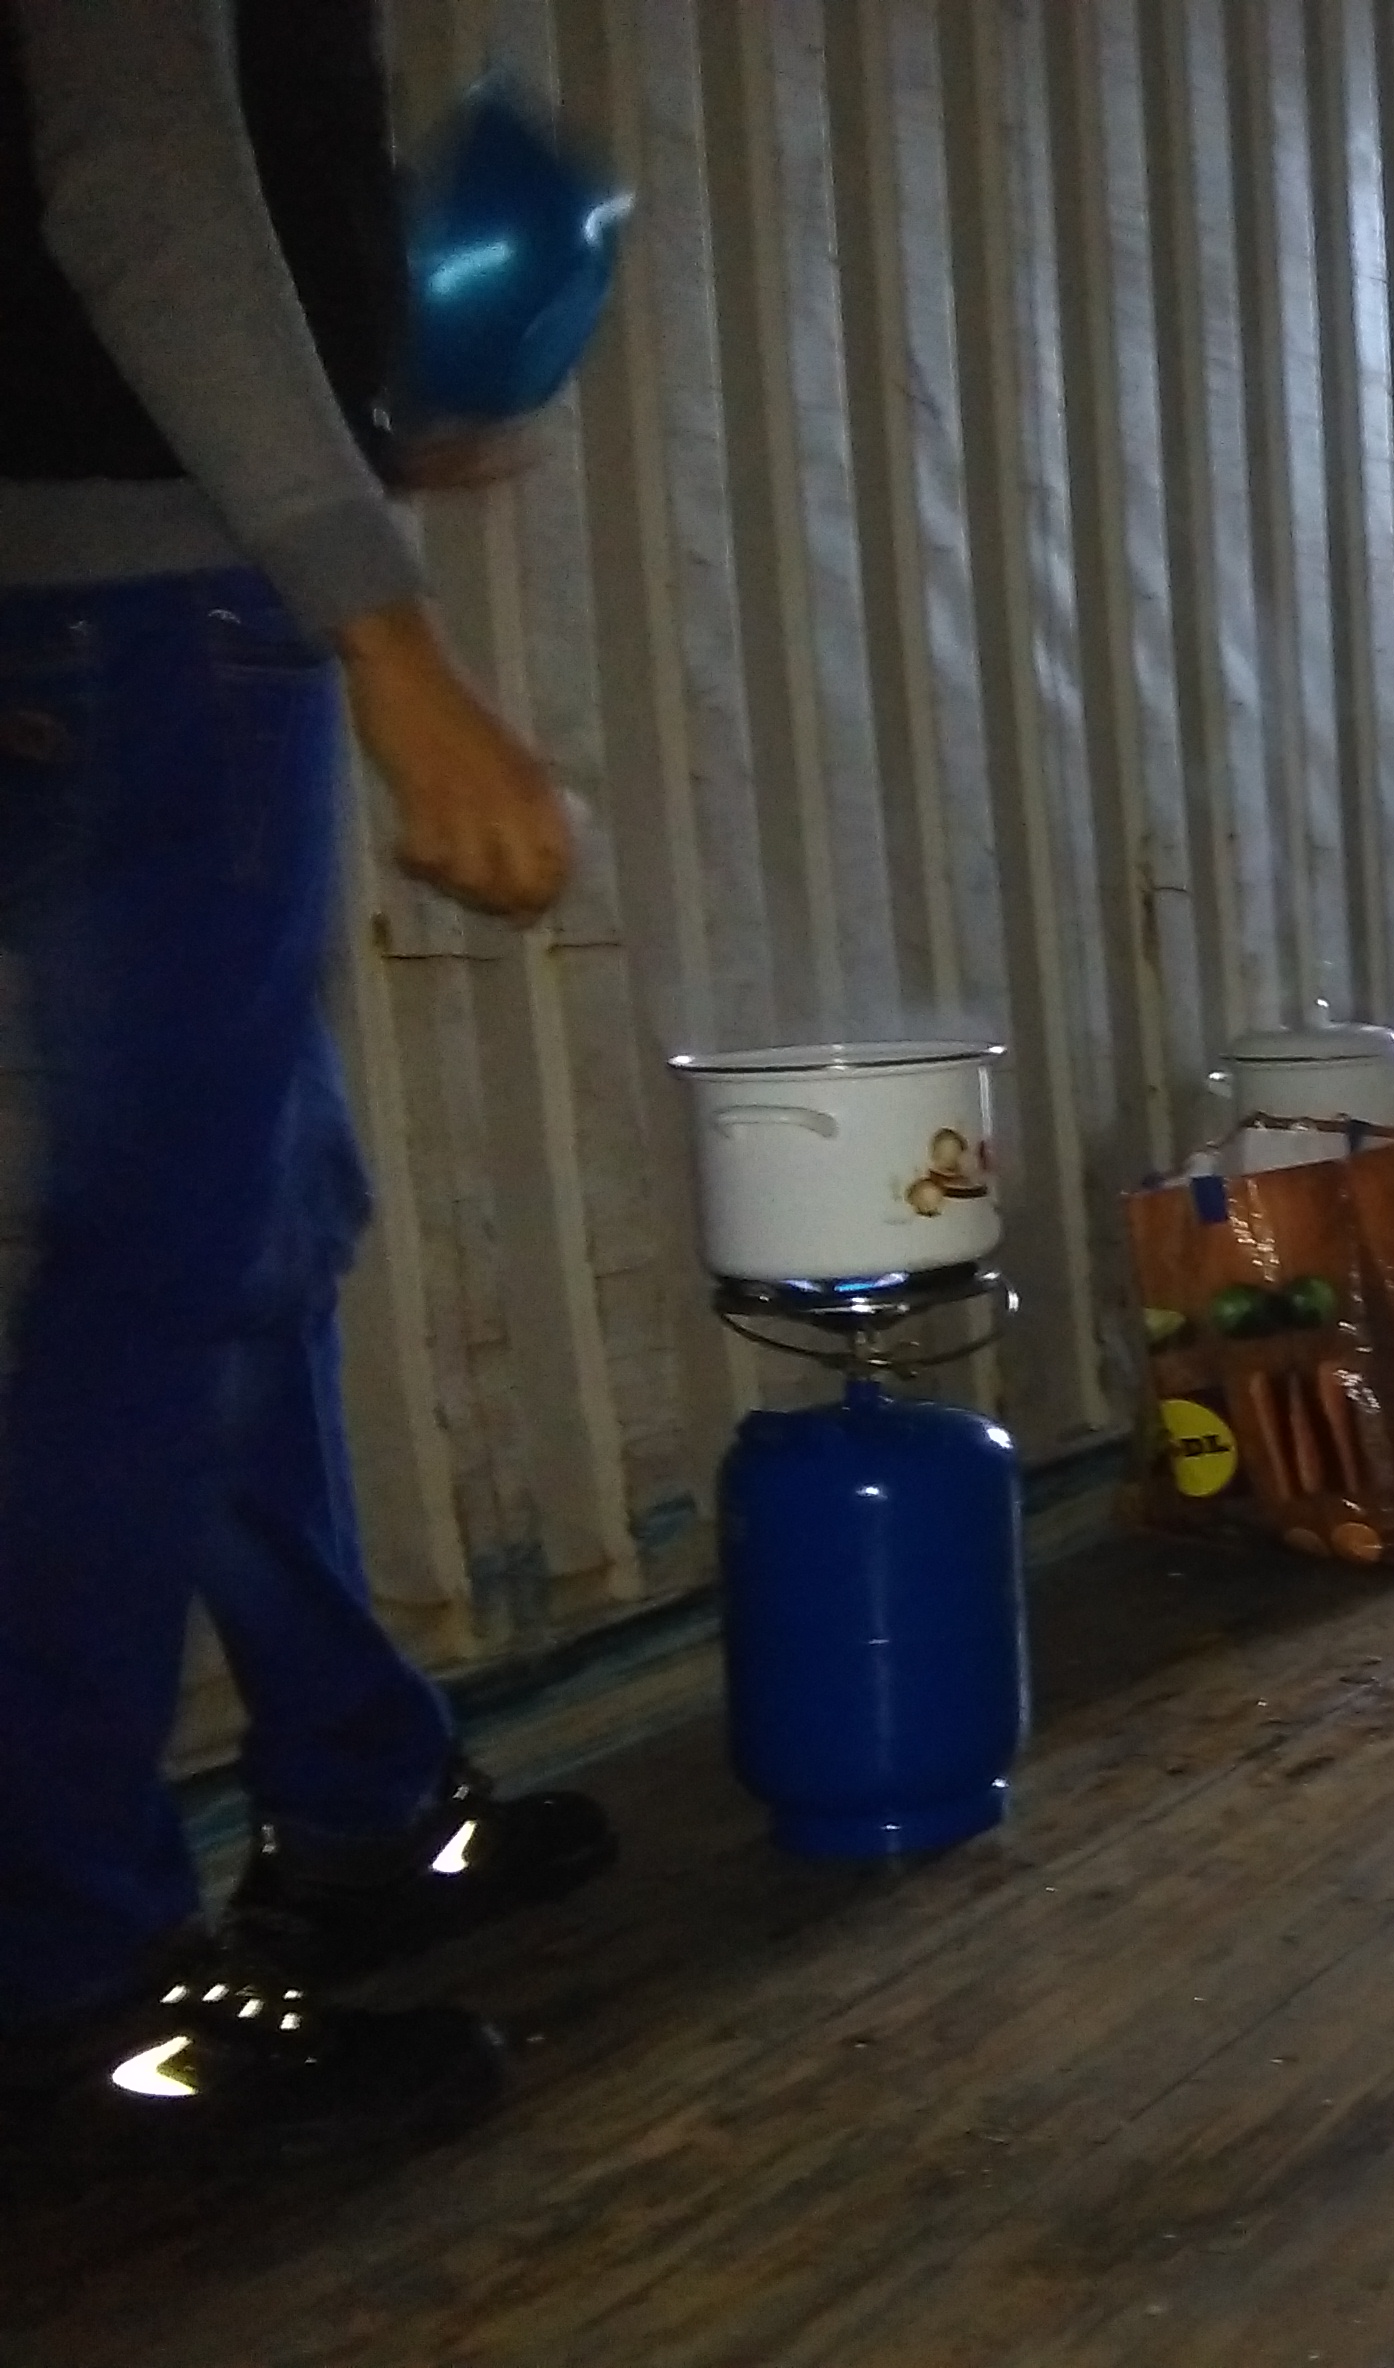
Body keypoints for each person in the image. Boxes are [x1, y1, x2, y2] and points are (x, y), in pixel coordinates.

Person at [0, 0, 613, 2166]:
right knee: (153, 1283)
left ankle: (359, 1797)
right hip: (152, 603)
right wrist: (386, 624)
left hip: (138, 583)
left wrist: (365, 420)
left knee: (256, 1230)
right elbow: (139, 189)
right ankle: (69, 1986)